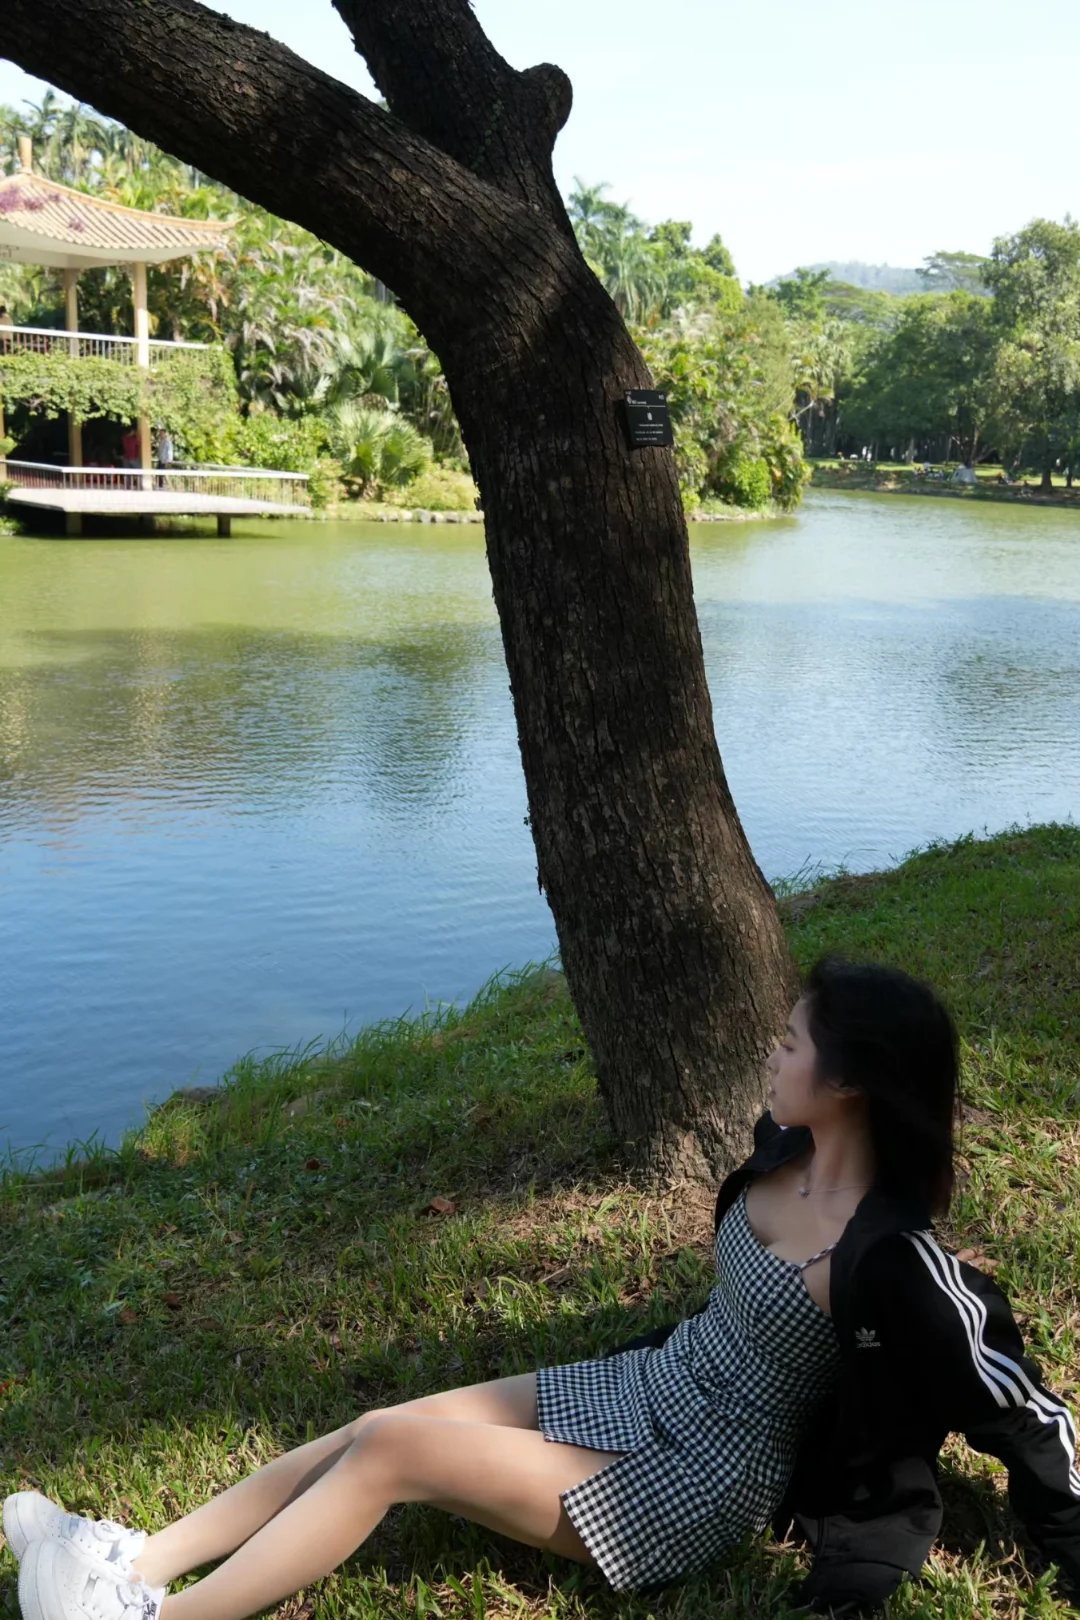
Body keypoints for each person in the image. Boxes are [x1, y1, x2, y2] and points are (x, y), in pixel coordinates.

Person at [6, 960, 1080, 1620]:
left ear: (847, 1082)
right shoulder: (779, 1151)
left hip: (698, 1483)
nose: (772, 1045)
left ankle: (145, 1617)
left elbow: (1024, 1408)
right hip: (649, 1385)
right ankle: (135, 1555)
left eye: (791, 1040)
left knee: (393, 1456)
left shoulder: (895, 1259)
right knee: (382, 1420)